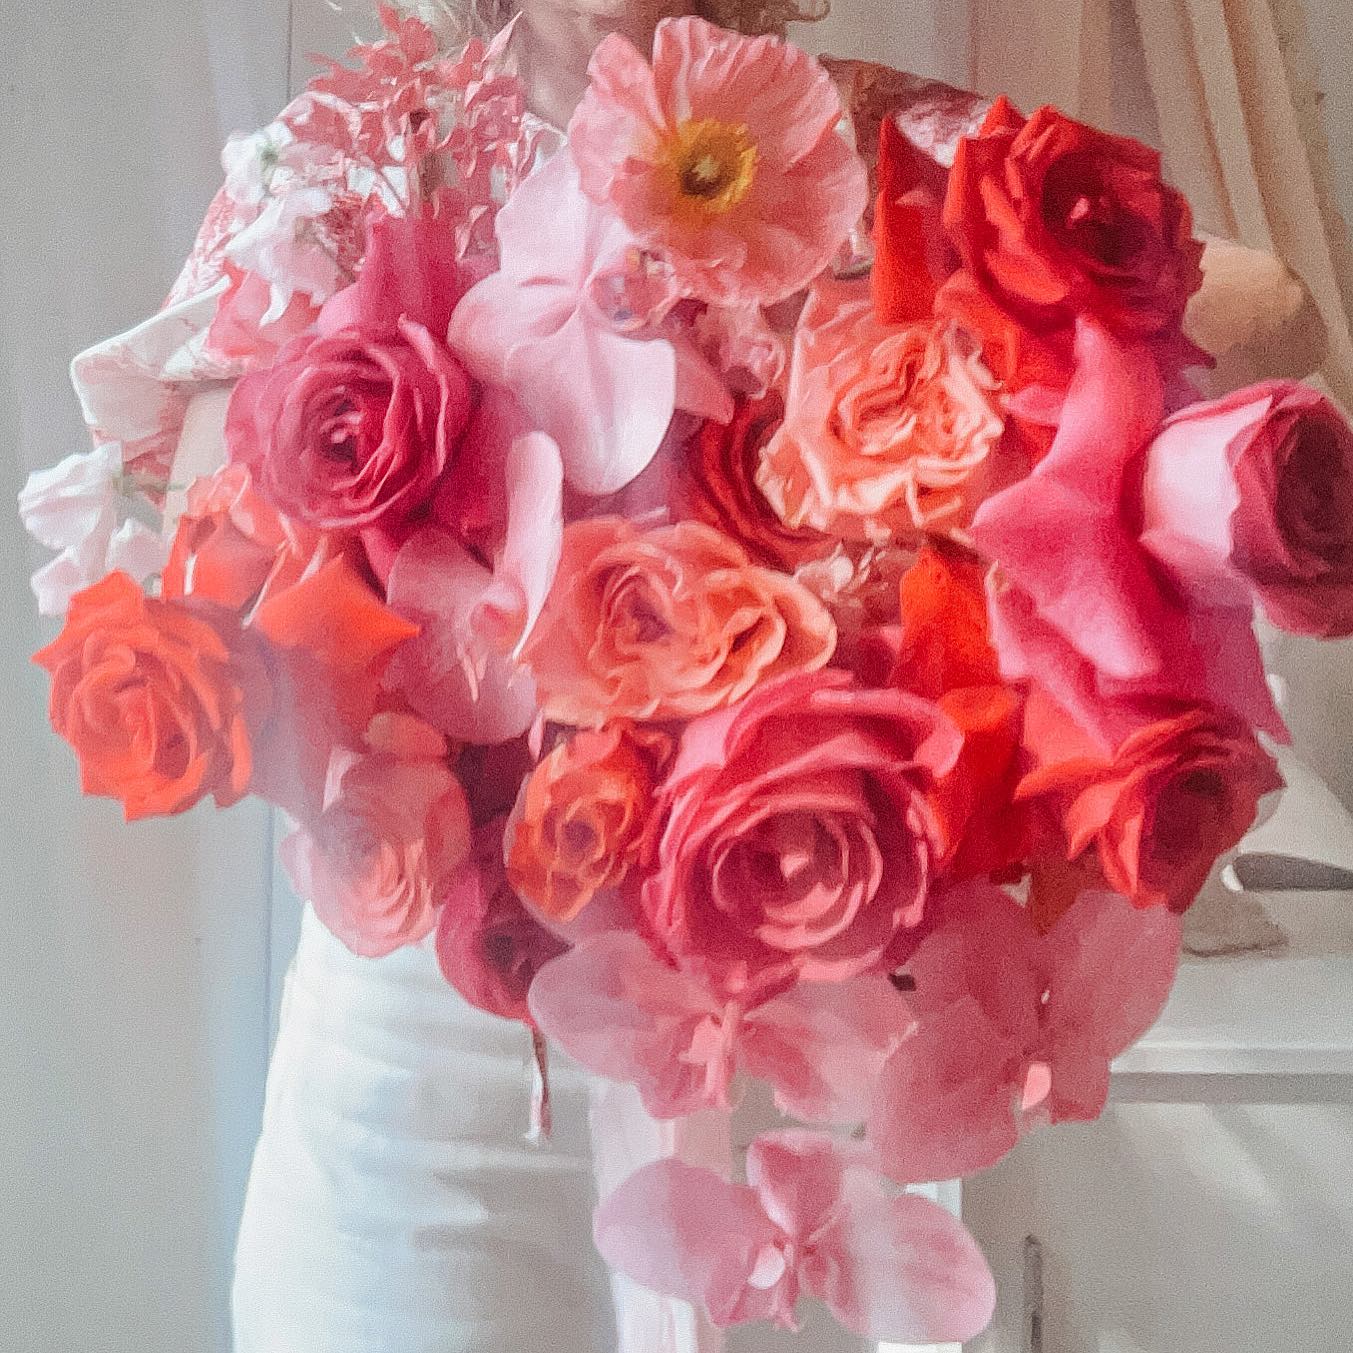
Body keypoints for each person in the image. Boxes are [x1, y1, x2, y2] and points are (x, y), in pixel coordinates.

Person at [68, 3, 1327, 1352]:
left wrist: (975, 308)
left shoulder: (866, 138)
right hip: (431, 1048)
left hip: (771, 1039)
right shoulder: (352, 156)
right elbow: (187, 499)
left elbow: (1274, 314)